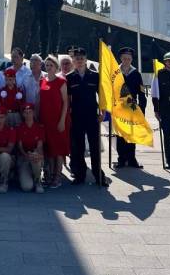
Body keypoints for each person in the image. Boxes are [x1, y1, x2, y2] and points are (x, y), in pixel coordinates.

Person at [67, 48, 109, 187]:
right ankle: (80, 175)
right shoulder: (70, 77)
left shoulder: (95, 76)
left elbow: (102, 96)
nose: (79, 61)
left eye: (81, 59)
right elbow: (67, 100)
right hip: (77, 117)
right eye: (77, 59)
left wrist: (103, 113)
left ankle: (98, 176)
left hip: (92, 116)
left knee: (95, 147)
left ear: (86, 60)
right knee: (78, 148)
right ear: (73, 60)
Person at [39, 55, 70, 188]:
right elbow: (39, 101)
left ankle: (57, 177)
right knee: (49, 150)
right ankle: (50, 175)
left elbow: (65, 102)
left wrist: (62, 120)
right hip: (45, 121)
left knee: (58, 150)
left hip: (58, 120)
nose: (49, 67)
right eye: (47, 65)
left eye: (51, 65)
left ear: (56, 67)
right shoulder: (42, 81)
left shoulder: (61, 81)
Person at [114, 47, 147, 170]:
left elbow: (142, 92)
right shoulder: (115, 73)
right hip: (119, 108)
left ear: (131, 59)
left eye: (128, 58)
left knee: (132, 134)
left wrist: (142, 110)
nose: (126, 60)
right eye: (124, 58)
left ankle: (132, 158)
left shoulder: (136, 73)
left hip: (133, 108)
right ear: (121, 59)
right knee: (121, 135)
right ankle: (121, 159)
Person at [16, 102, 45, 193]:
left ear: (33, 113)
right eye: (26, 112)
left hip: (35, 156)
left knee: (36, 157)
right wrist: (26, 155)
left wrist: (34, 153)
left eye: (30, 112)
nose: (28, 114)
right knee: (27, 187)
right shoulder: (20, 128)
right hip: (24, 157)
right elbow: (20, 146)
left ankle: (37, 181)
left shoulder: (39, 127)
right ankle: (26, 175)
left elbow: (40, 146)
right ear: (23, 114)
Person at [24, 53, 46, 118]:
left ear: (41, 64)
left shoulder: (47, 77)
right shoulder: (25, 77)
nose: (33, 62)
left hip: (44, 109)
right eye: (31, 60)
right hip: (29, 111)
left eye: (36, 60)